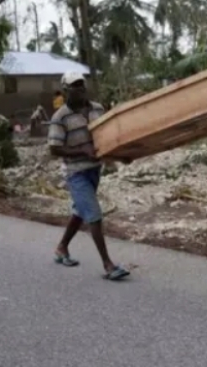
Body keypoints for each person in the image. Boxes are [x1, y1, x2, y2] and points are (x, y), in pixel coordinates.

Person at [48, 71, 130, 281]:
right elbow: (54, 149)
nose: (81, 89)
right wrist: (80, 152)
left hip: (95, 169)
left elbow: (106, 138)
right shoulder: (60, 117)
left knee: (80, 211)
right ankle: (108, 265)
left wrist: (121, 156)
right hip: (76, 172)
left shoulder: (98, 109)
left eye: (82, 85)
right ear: (66, 90)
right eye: (75, 86)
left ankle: (62, 248)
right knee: (93, 213)